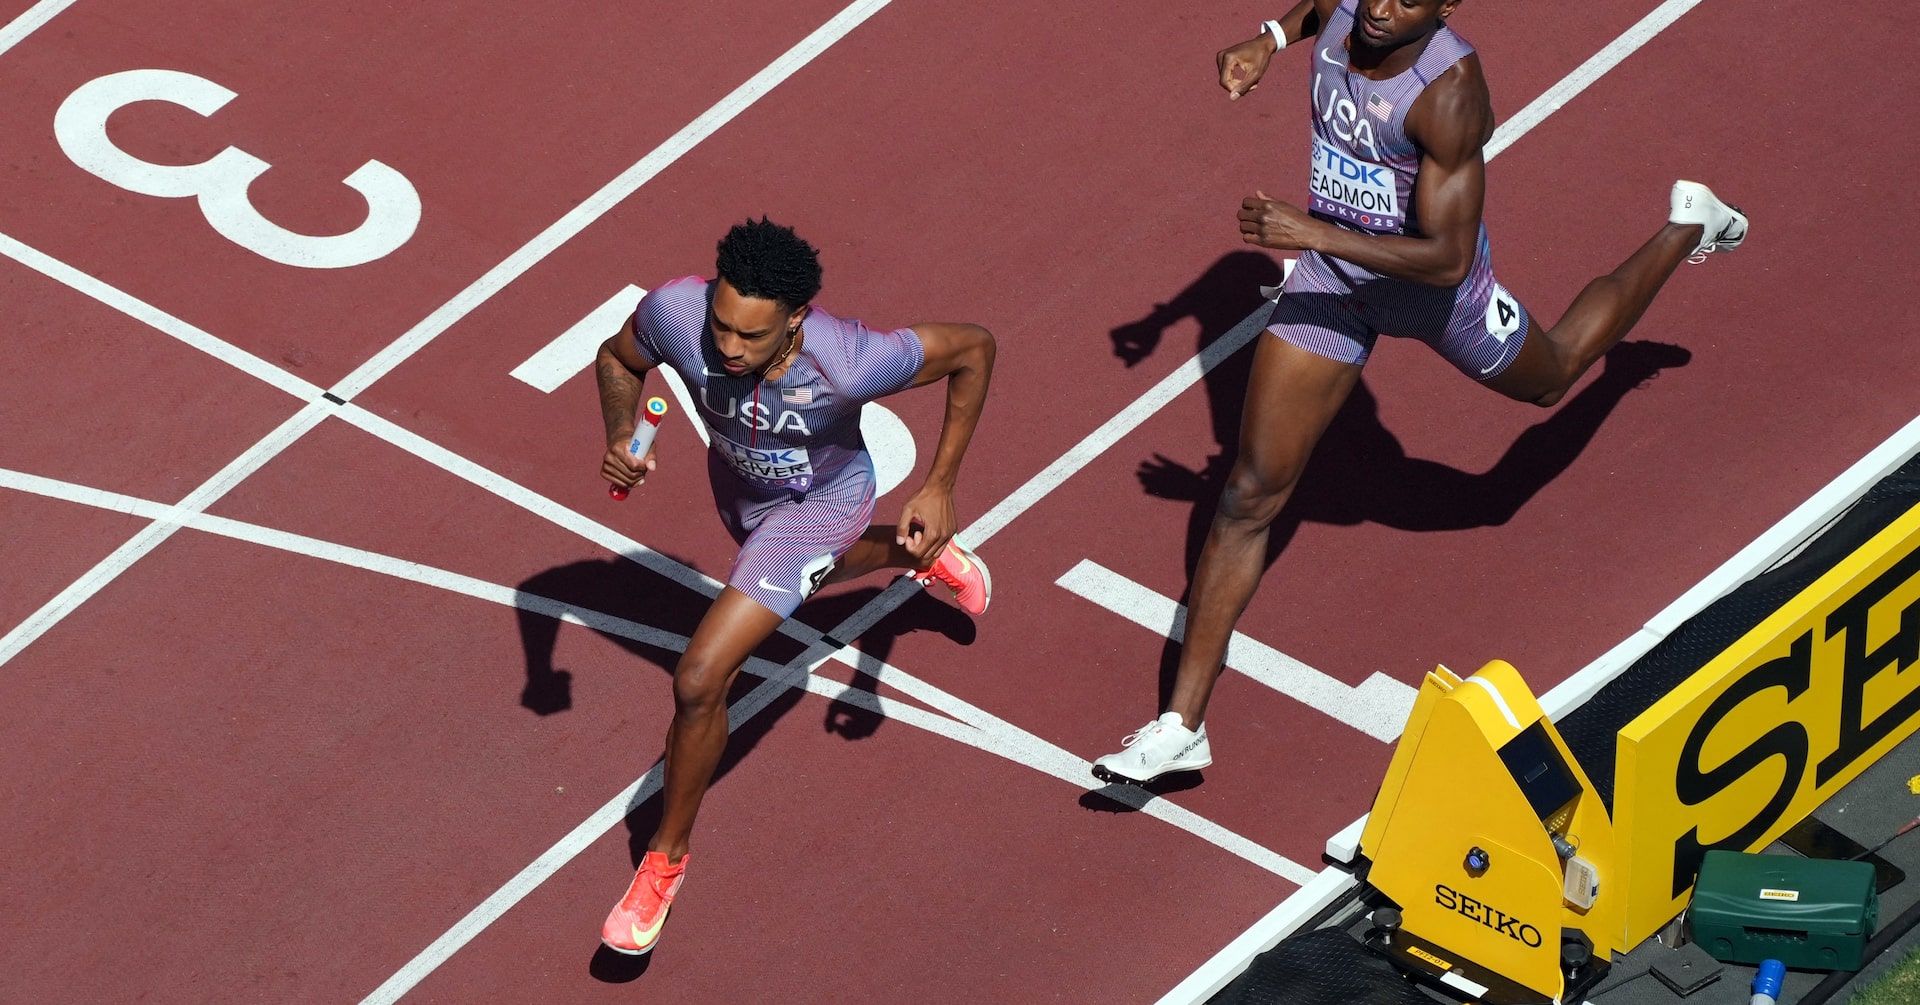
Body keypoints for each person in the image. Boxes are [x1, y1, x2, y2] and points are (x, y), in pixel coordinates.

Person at [1091, 0, 1748, 784]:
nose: (1379, 7)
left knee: (1551, 379)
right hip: (1333, 287)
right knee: (1248, 493)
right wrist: (1269, 39)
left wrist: (1311, 232)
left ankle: (1686, 226)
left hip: (1434, 296)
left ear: (1447, 5)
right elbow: (1321, 9)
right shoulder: (1354, 8)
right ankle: (1180, 728)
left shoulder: (1450, 93)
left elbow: (1445, 258)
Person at [594, 217, 995, 954]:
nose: (727, 348)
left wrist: (939, 487)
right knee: (814, 576)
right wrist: (621, 434)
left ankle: (663, 862)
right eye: (721, 326)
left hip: (821, 506)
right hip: (742, 496)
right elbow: (619, 360)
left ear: (796, 319)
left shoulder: (849, 361)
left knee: (700, 677)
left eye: (751, 337)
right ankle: (912, 553)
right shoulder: (676, 312)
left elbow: (975, 348)